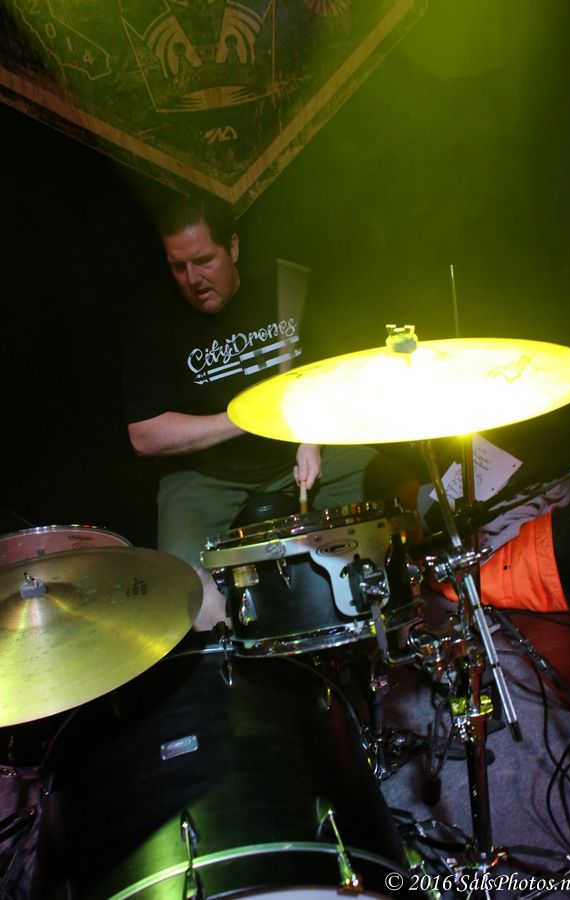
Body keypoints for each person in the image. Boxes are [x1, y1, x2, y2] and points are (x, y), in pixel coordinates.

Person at [122, 189, 419, 629]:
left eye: (204, 260)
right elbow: (144, 435)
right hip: (206, 478)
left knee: (406, 494)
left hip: (297, 451)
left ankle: (413, 617)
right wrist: (247, 416)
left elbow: (328, 373)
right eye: (178, 266)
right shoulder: (156, 320)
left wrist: (311, 433)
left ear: (233, 247)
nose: (192, 279)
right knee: (185, 594)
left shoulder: (280, 285)